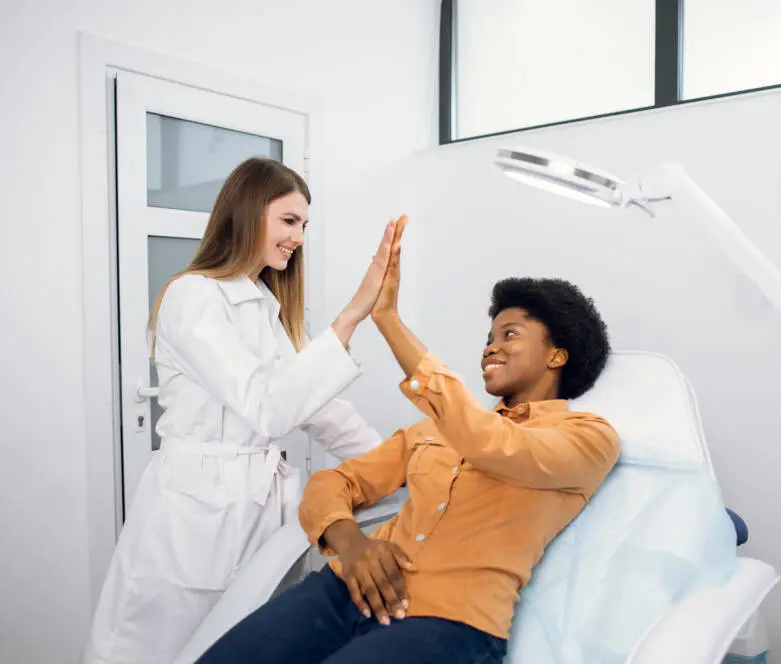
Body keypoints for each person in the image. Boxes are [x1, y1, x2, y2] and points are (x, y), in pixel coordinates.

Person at [195, 216, 621, 664]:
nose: (490, 348)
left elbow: (491, 445)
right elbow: (336, 482)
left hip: (451, 624)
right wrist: (352, 544)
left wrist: (387, 320)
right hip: (345, 590)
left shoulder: (589, 438)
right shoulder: (434, 430)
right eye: (489, 338)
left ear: (557, 355)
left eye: (509, 335)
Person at [83, 158, 396, 664]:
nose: (298, 238)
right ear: (249, 212)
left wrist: (404, 467)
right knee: (158, 649)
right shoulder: (193, 296)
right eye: (289, 221)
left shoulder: (265, 306)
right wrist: (351, 316)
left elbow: (321, 411)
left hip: (257, 510)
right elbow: (267, 409)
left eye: (304, 225)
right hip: (195, 512)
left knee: (241, 648)